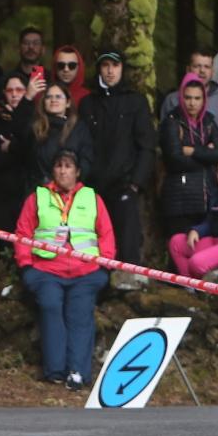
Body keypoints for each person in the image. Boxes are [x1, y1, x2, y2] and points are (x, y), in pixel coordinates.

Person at [15, 150, 115, 390]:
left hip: (86, 272)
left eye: (68, 166)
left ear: (77, 172)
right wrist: (26, 266)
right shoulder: (37, 197)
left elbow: (106, 234)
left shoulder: (93, 198)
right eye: (59, 166)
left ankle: (78, 373)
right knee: (50, 307)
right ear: (53, 171)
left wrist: (104, 265)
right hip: (46, 270)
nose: (63, 170)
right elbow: (23, 232)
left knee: (80, 315)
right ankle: (55, 371)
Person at [78, 47, 156, 271]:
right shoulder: (88, 103)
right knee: (92, 244)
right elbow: (82, 144)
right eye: (105, 65)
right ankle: (97, 286)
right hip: (93, 186)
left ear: (122, 68)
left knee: (128, 245)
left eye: (115, 65)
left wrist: (136, 183)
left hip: (124, 185)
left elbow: (147, 145)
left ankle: (128, 288)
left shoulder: (135, 101)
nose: (110, 71)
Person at [159, 73, 218, 245]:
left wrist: (192, 150)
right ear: (181, 97)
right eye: (188, 97)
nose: (192, 103)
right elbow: (174, 160)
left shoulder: (209, 121)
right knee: (179, 247)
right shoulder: (172, 122)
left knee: (204, 247)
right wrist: (207, 155)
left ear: (204, 99)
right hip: (180, 198)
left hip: (207, 195)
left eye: (197, 98)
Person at [158, 49, 218, 152]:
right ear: (188, 69)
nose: (202, 71)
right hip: (181, 162)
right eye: (197, 66)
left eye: (207, 67)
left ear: (212, 71)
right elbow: (163, 135)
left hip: (216, 162)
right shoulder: (172, 100)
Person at [0, 74, 36, 234]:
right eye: (10, 90)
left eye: (20, 90)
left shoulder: (36, 119)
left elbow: (31, 152)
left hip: (29, 190)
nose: (14, 94)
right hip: (3, 194)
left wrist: (11, 147)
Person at [31, 83, 92, 182]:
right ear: (44, 102)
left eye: (58, 97)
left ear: (68, 102)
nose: (53, 100)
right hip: (42, 188)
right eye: (48, 97)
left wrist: (73, 182)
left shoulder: (79, 128)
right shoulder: (35, 128)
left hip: (71, 189)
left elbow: (86, 159)